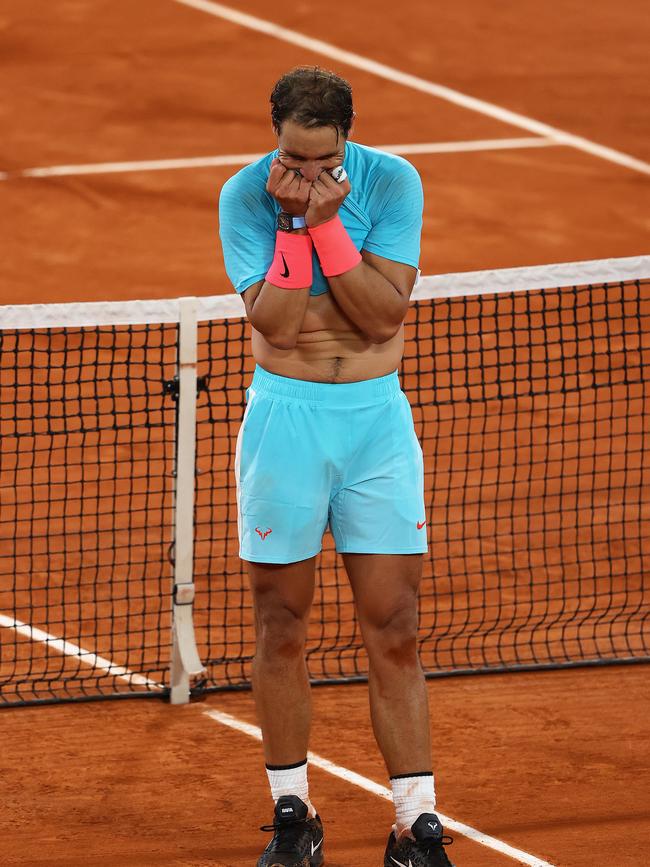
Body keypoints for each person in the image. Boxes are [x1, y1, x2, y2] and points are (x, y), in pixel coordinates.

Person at [219, 66, 454, 867]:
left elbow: (385, 313)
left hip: (375, 426)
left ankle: (413, 824)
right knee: (281, 622)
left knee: (394, 624)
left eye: (323, 163)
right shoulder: (247, 195)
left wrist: (326, 230)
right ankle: (293, 814)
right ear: (275, 136)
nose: (306, 175)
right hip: (285, 425)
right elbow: (280, 327)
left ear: (348, 139)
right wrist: (295, 227)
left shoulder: (393, 183)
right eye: (293, 157)